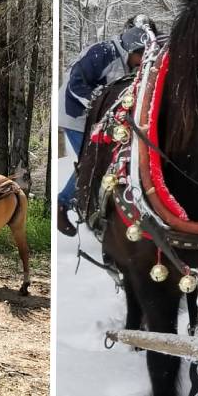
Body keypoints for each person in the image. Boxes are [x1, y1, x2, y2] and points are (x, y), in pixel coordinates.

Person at [56, 15, 154, 236]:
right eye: (140, 56)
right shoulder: (102, 54)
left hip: (101, 118)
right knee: (93, 159)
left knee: (109, 158)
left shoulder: (131, 63)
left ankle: (94, 204)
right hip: (76, 115)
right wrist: (99, 104)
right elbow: (76, 84)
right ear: (132, 50)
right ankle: (64, 202)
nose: (141, 62)